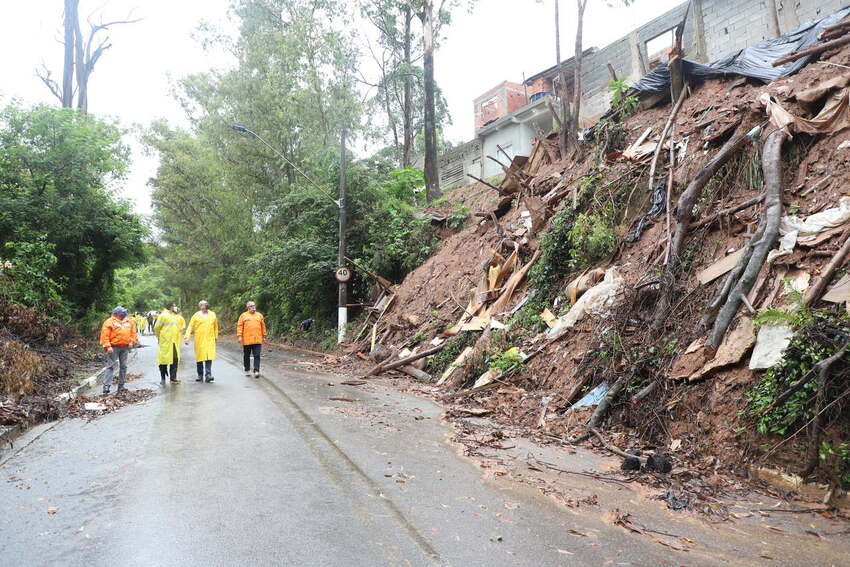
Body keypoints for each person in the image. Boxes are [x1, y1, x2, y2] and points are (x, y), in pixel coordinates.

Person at [98, 306, 138, 394]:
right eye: (122, 312)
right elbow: (105, 335)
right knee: (110, 366)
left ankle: (121, 386)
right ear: (116, 314)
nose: (124, 314)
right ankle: (106, 386)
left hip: (125, 347)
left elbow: (133, 333)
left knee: (123, 366)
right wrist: (108, 346)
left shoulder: (129, 321)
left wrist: (131, 342)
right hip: (113, 347)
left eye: (124, 312)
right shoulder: (109, 322)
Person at [184, 300, 218, 383]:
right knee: (199, 358)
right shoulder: (196, 316)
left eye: (206, 304)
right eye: (203, 305)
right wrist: (186, 337)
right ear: (200, 306)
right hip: (199, 339)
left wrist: (216, 337)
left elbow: (215, 327)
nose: (205, 306)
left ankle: (208, 375)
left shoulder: (212, 314)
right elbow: (190, 327)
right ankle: (200, 375)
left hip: (210, 339)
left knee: (208, 357)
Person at [154, 302, 185, 385]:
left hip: (174, 342)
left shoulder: (173, 316)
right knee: (163, 360)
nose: (175, 308)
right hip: (165, 341)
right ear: (171, 307)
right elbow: (156, 328)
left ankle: (173, 378)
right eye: (174, 306)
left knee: (175, 359)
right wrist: (159, 338)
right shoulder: (162, 316)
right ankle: (163, 378)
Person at [237, 301, 267, 378]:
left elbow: (263, 326)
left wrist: (264, 336)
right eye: (251, 306)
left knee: (257, 355)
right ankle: (247, 369)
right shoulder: (243, 316)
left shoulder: (259, 315)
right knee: (246, 355)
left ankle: (256, 371)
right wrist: (240, 336)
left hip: (257, 339)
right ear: (247, 307)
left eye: (254, 305)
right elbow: (240, 326)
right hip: (247, 340)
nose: (253, 307)